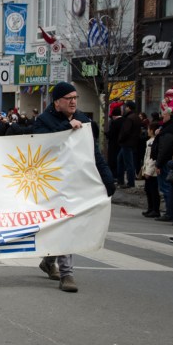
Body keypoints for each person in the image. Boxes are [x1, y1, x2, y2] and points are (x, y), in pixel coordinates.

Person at [33, 81, 115, 293]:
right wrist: (65, 128)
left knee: (67, 223)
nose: (73, 102)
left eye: (75, 98)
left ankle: (59, 267)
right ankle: (59, 267)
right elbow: (40, 146)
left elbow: (93, 152)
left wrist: (107, 178)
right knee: (58, 223)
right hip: (51, 182)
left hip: (74, 182)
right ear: (57, 102)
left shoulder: (84, 119)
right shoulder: (44, 120)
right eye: (68, 98)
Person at [116, 101, 141, 188]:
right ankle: (121, 181)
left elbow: (125, 131)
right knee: (121, 160)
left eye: (126, 107)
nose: (125, 108)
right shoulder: (136, 117)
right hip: (131, 143)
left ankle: (129, 182)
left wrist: (120, 139)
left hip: (126, 143)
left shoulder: (129, 118)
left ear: (129, 108)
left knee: (128, 163)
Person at [141, 122, 161, 218]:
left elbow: (152, 158)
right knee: (148, 190)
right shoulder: (149, 141)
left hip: (152, 171)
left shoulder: (154, 142)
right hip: (147, 168)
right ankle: (150, 208)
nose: (147, 131)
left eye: (149, 129)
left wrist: (148, 171)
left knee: (153, 191)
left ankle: (155, 209)